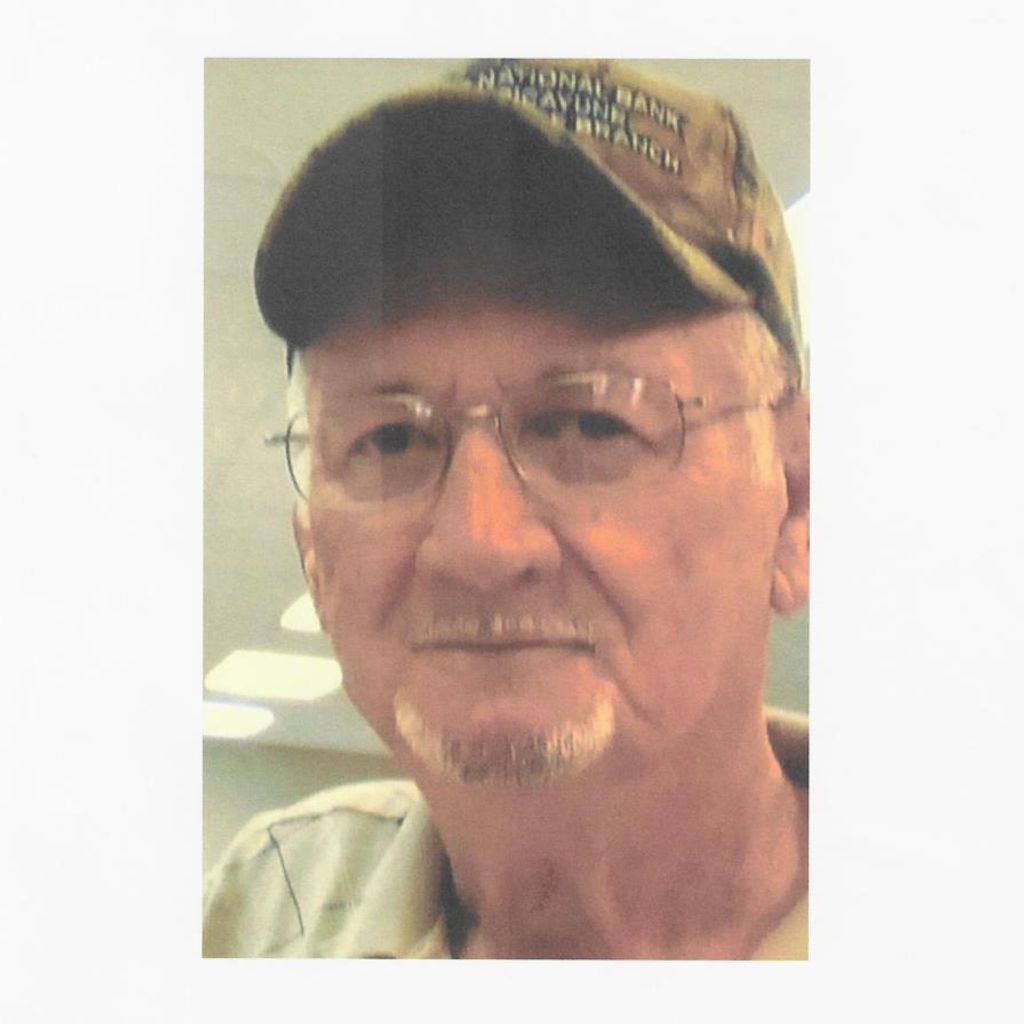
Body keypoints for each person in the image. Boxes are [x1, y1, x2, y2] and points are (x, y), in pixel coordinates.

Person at [203, 58, 810, 959]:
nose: (477, 545)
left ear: (797, 505)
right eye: (389, 440)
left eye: (593, 422)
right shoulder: (260, 913)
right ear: (313, 556)